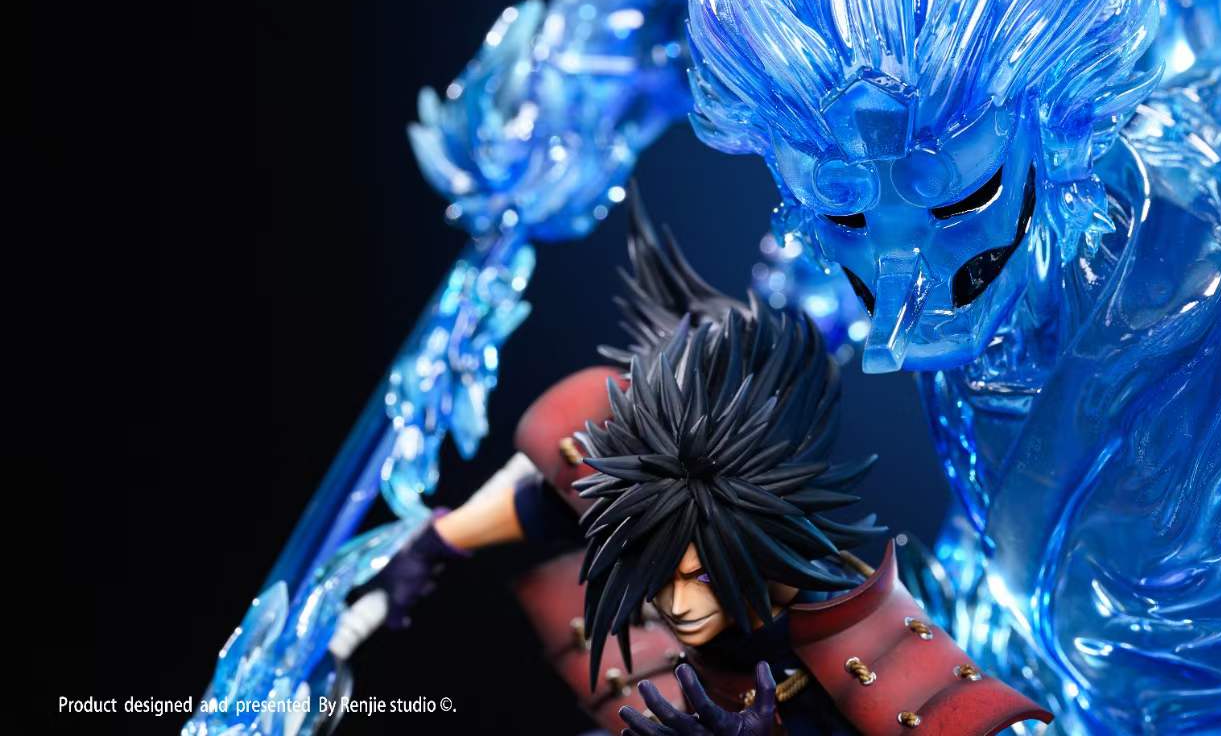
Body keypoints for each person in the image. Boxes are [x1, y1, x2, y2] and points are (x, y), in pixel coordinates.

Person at [370, 197, 1050, 735]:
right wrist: (436, 542)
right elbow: (547, 501)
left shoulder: (851, 623)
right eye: (658, 578)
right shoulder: (649, 504)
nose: (674, 604)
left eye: (694, 578)